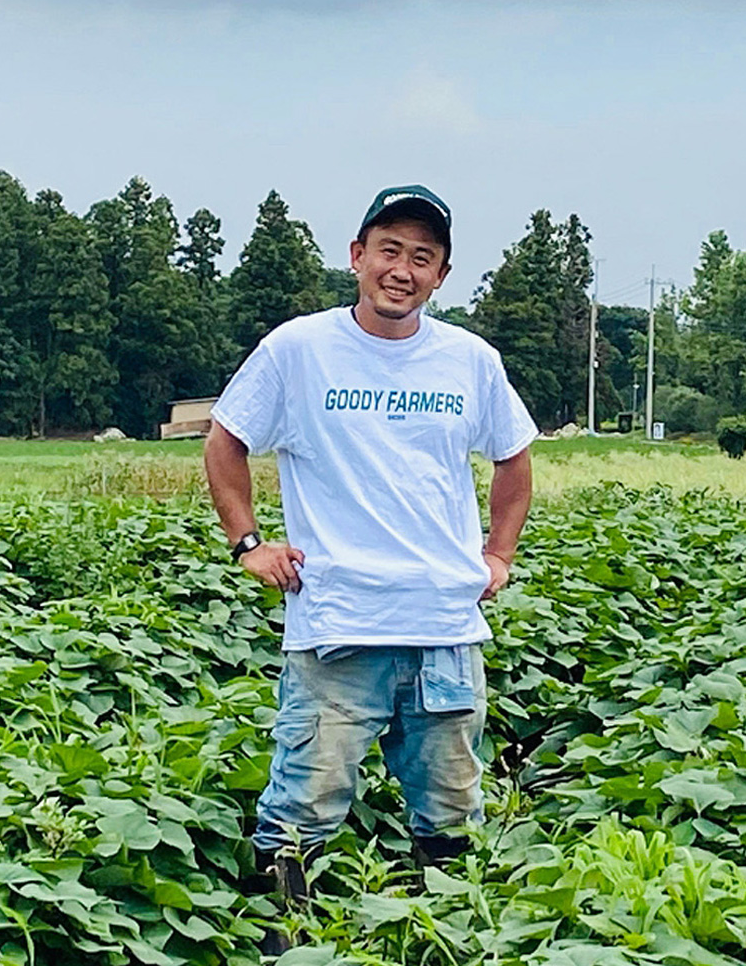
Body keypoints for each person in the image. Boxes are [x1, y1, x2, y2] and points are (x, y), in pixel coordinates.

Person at [203, 184, 537, 946]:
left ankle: (444, 939)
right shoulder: (298, 350)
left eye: (423, 257)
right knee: (304, 803)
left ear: (441, 276)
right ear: (357, 257)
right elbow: (225, 439)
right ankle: (287, 946)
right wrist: (249, 543)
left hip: (444, 628)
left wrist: (498, 554)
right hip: (337, 624)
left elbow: (514, 457)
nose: (402, 269)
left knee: (452, 810)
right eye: (389, 250)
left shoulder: (469, 361)